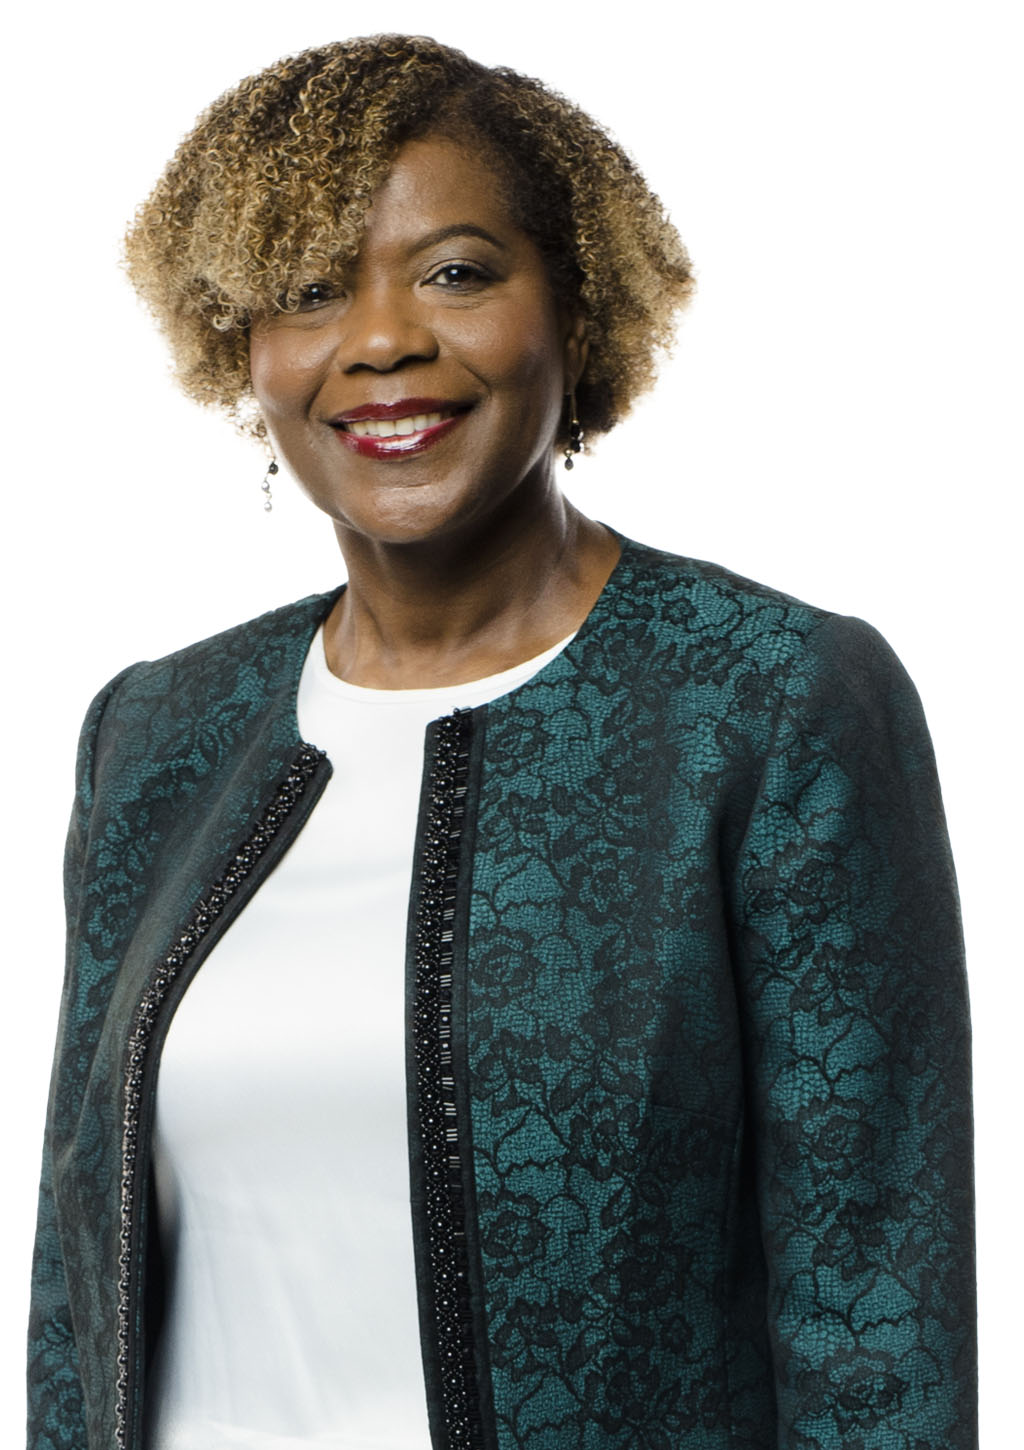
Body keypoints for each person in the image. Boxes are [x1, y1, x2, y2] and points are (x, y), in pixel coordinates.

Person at [27, 33, 976, 1450]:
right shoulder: (157, 731)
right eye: (308, 289)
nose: (382, 339)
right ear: (244, 351)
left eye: (457, 271)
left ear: (578, 314)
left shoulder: (770, 701)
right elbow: (72, 1299)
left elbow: (876, 1325)